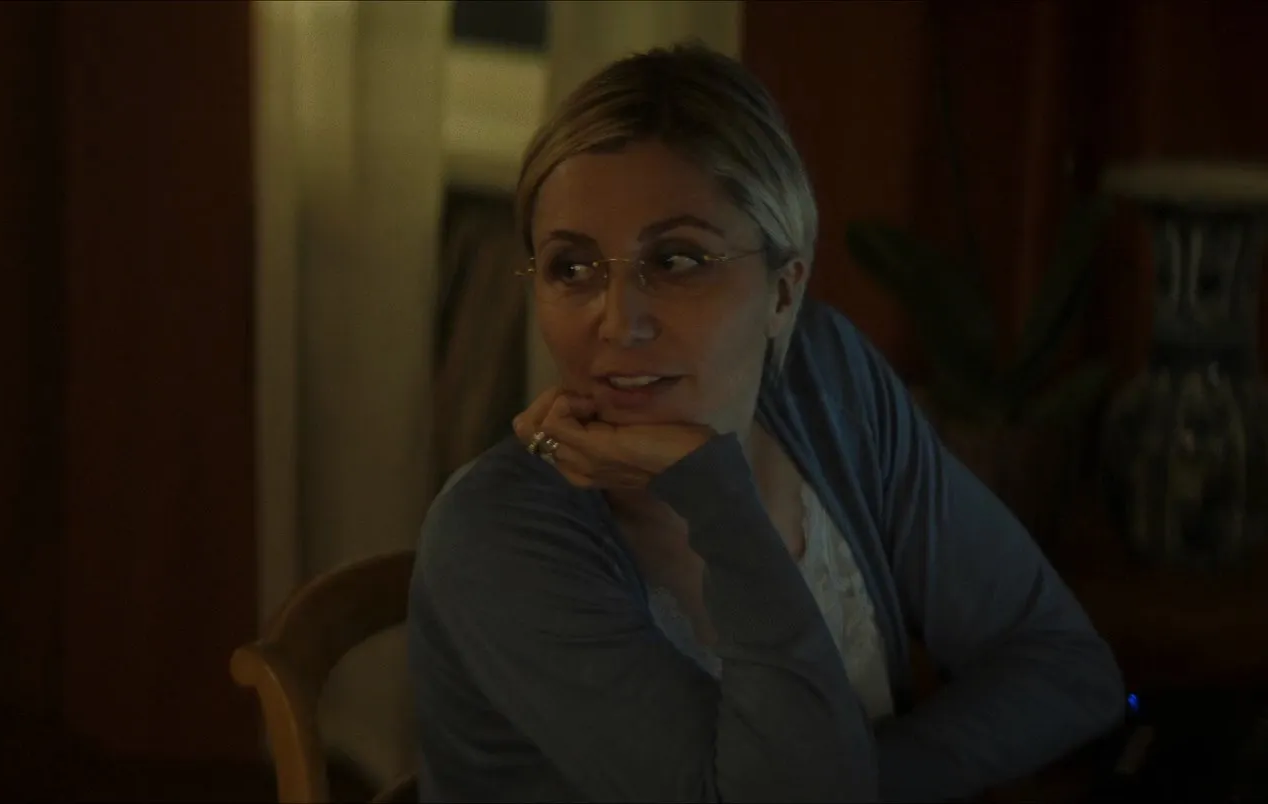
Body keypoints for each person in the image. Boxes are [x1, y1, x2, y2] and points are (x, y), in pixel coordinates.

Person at [407, 42, 1125, 803]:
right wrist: (717, 498)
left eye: (677, 261)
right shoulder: (494, 537)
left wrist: (861, 784)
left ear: (783, 293)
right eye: (572, 267)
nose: (618, 322)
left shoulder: (825, 381)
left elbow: (1065, 665)